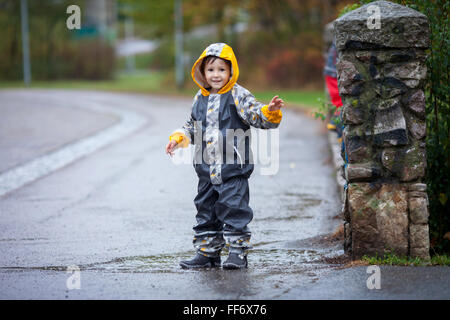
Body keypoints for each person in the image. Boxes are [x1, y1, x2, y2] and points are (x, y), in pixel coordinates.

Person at [165, 43, 284, 269]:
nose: (216, 75)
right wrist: (178, 138)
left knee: (234, 209)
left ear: (231, 71)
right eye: (211, 70)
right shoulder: (199, 98)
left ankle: (237, 252)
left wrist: (270, 111)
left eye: (221, 69)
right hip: (206, 170)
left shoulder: (237, 95)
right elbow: (191, 125)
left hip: (233, 169)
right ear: (202, 72)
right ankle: (207, 253)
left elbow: (255, 114)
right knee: (206, 210)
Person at [324, 42, 343, 141]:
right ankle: (340, 133)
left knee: (339, 103)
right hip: (333, 73)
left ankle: (334, 123)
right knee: (341, 103)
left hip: (331, 72)